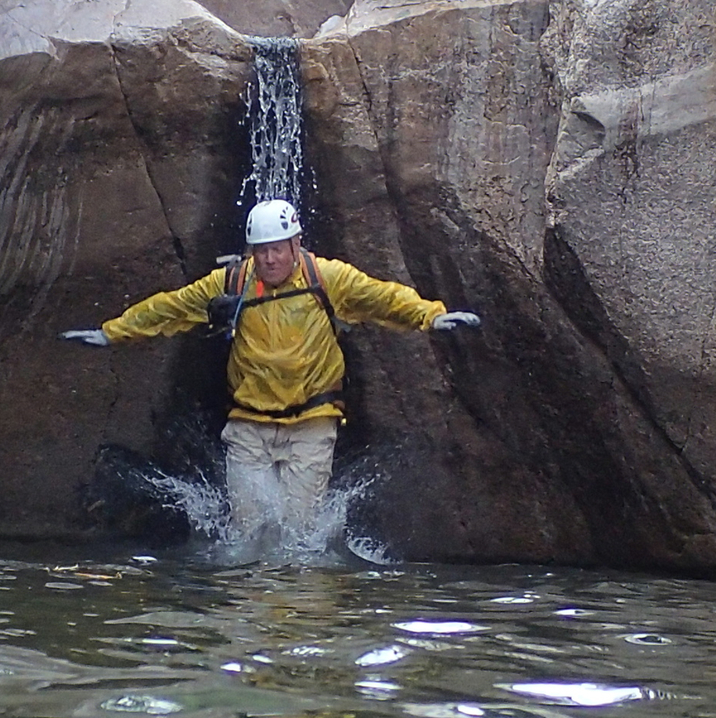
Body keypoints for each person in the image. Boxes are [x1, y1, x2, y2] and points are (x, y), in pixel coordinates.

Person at [63, 199, 480, 551]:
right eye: (261, 250)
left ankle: (296, 624)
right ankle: (250, 626)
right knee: (249, 535)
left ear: (296, 244)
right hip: (249, 427)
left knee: (297, 537)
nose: (270, 259)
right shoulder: (233, 282)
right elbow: (171, 307)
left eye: (278, 249)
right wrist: (111, 333)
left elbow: (382, 297)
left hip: (312, 426)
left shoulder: (326, 278)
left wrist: (432, 316)